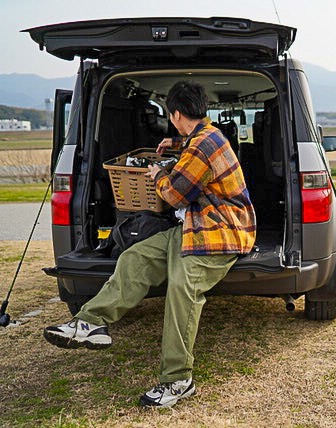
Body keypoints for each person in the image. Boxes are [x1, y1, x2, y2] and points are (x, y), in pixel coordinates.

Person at [43, 81, 257, 408]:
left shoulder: (204, 144)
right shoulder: (202, 136)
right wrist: (173, 143)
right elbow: (192, 149)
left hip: (221, 230)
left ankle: (178, 379)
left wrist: (157, 174)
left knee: (182, 291)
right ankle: (92, 322)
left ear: (175, 113)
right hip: (195, 225)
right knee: (137, 256)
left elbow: (174, 194)